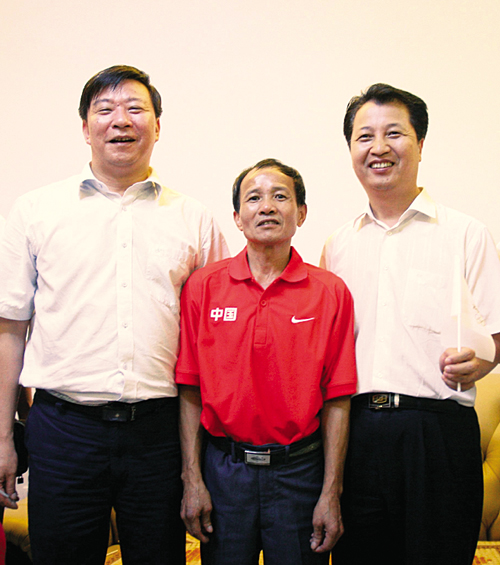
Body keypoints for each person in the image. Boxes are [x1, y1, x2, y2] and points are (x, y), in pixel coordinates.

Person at [0, 65, 229, 565]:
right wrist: (1, 439)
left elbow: (215, 341)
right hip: (64, 428)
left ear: (157, 126)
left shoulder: (194, 220)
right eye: (105, 110)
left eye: (135, 109)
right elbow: (10, 331)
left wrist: (203, 457)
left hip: (159, 433)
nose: (120, 120)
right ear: (85, 128)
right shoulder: (36, 211)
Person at [321, 83, 500, 565]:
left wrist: (482, 361)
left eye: (394, 133)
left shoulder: (465, 233)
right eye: (364, 137)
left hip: (437, 434)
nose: (378, 147)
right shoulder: (337, 245)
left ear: (420, 143)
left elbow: (497, 333)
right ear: (351, 150)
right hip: (356, 434)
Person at [176, 158, 357, 565]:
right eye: (254, 198)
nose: (267, 207)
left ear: (301, 213)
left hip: (299, 473)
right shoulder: (203, 287)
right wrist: (192, 480)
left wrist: (331, 491)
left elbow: (338, 398)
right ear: (237, 218)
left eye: (280, 197)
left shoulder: (330, 292)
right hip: (224, 472)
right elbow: (189, 389)